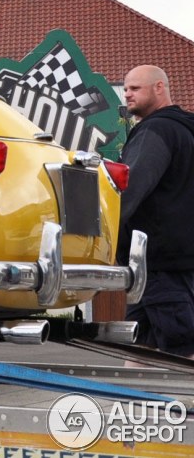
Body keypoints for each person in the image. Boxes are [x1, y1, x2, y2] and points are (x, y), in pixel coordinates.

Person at [118, 65, 194, 357]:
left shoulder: (156, 130)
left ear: (159, 88)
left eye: (135, 88)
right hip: (165, 265)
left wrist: (101, 232)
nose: (127, 94)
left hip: (161, 265)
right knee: (140, 350)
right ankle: (131, 404)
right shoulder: (185, 131)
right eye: (126, 89)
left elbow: (129, 189)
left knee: (182, 350)